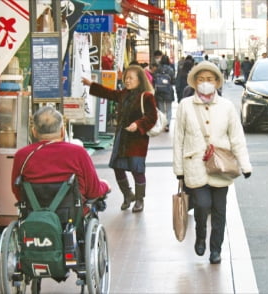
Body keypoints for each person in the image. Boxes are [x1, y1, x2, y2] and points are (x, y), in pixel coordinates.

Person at [173, 61, 252, 264]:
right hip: (194, 166)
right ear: (194, 82)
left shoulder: (226, 107)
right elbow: (178, 139)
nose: (205, 83)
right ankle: (200, 236)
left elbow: (236, 137)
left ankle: (215, 249)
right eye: (201, 79)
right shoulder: (185, 105)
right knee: (201, 204)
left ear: (217, 82)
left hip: (221, 167)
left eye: (209, 79)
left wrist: (245, 165)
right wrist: (179, 169)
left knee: (219, 210)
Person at [11, 106, 110, 221]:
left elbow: (17, 190)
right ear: (63, 131)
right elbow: (93, 191)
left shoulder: (22, 155)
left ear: (34, 131)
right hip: (71, 217)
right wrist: (105, 185)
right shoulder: (78, 153)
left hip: (33, 215)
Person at [81, 65, 158, 213]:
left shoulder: (146, 96)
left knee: (137, 169)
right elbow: (109, 93)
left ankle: (139, 200)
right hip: (122, 137)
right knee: (117, 167)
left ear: (139, 80)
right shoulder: (124, 94)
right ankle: (128, 195)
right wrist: (91, 84)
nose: (127, 81)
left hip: (137, 140)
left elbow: (151, 117)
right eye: (126, 78)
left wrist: (137, 125)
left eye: (131, 78)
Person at [154, 55, 176, 132]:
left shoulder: (158, 69)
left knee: (161, 109)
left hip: (159, 91)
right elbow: (173, 81)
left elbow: (154, 80)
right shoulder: (170, 69)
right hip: (168, 91)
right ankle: (167, 124)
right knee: (169, 109)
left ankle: (162, 124)